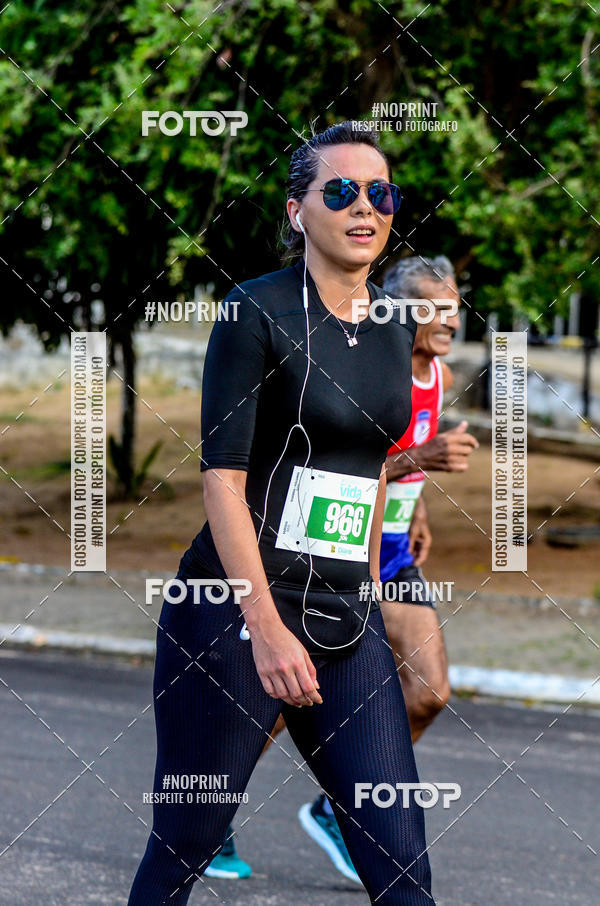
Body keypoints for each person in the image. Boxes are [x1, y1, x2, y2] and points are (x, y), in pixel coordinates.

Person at [127, 121, 436, 905]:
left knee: (402, 869)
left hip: (344, 619)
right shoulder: (253, 311)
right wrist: (264, 626)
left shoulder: (396, 331)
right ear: (299, 211)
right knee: (183, 849)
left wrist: (368, 588)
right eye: (340, 191)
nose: (364, 207)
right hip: (234, 618)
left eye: (380, 193)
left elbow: (365, 473)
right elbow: (222, 482)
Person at [297, 256, 479, 884]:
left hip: (394, 551)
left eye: (454, 305)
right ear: (400, 312)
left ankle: (331, 807)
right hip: (343, 550)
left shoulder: (438, 372)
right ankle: (208, 819)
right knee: (274, 703)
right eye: (436, 307)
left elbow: (400, 462)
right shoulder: (373, 370)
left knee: (429, 693)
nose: (451, 318)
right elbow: (352, 465)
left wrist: (418, 507)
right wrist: (421, 458)